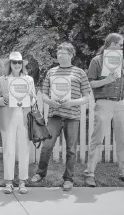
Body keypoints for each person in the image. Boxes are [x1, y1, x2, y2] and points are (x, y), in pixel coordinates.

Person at [31, 42, 91, 191]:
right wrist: (50, 101)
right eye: (57, 53)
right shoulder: (51, 72)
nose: (59, 55)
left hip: (72, 116)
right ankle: (40, 173)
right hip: (54, 116)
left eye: (62, 53)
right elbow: (43, 94)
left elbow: (87, 96)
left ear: (71, 55)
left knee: (71, 149)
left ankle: (68, 179)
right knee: (47, 146)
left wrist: (72, 102)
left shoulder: (79, 73)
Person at [84, 33, 124, 187]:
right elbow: (89, 83)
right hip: (104, 103)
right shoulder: (97, 60)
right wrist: (106, 80)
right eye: (121, 45)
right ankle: (89, 174)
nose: (122, 47)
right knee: (97, 139)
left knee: (122, 141)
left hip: (120, 104)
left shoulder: (122, 61)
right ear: (112, 44)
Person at [0, 51, 35, 194]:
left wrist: (30, 97)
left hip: (24, 118)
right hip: (7, 118)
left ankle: (22, 182)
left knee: (24, 150)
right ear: (10, 64)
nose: (17, 65)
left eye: (19, 62)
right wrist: (4, 99)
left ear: (22, 64)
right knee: (8, 150)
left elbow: (34, 99)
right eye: (14, 62)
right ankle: (9, 182)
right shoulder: (2, 80)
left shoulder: (28, 79)